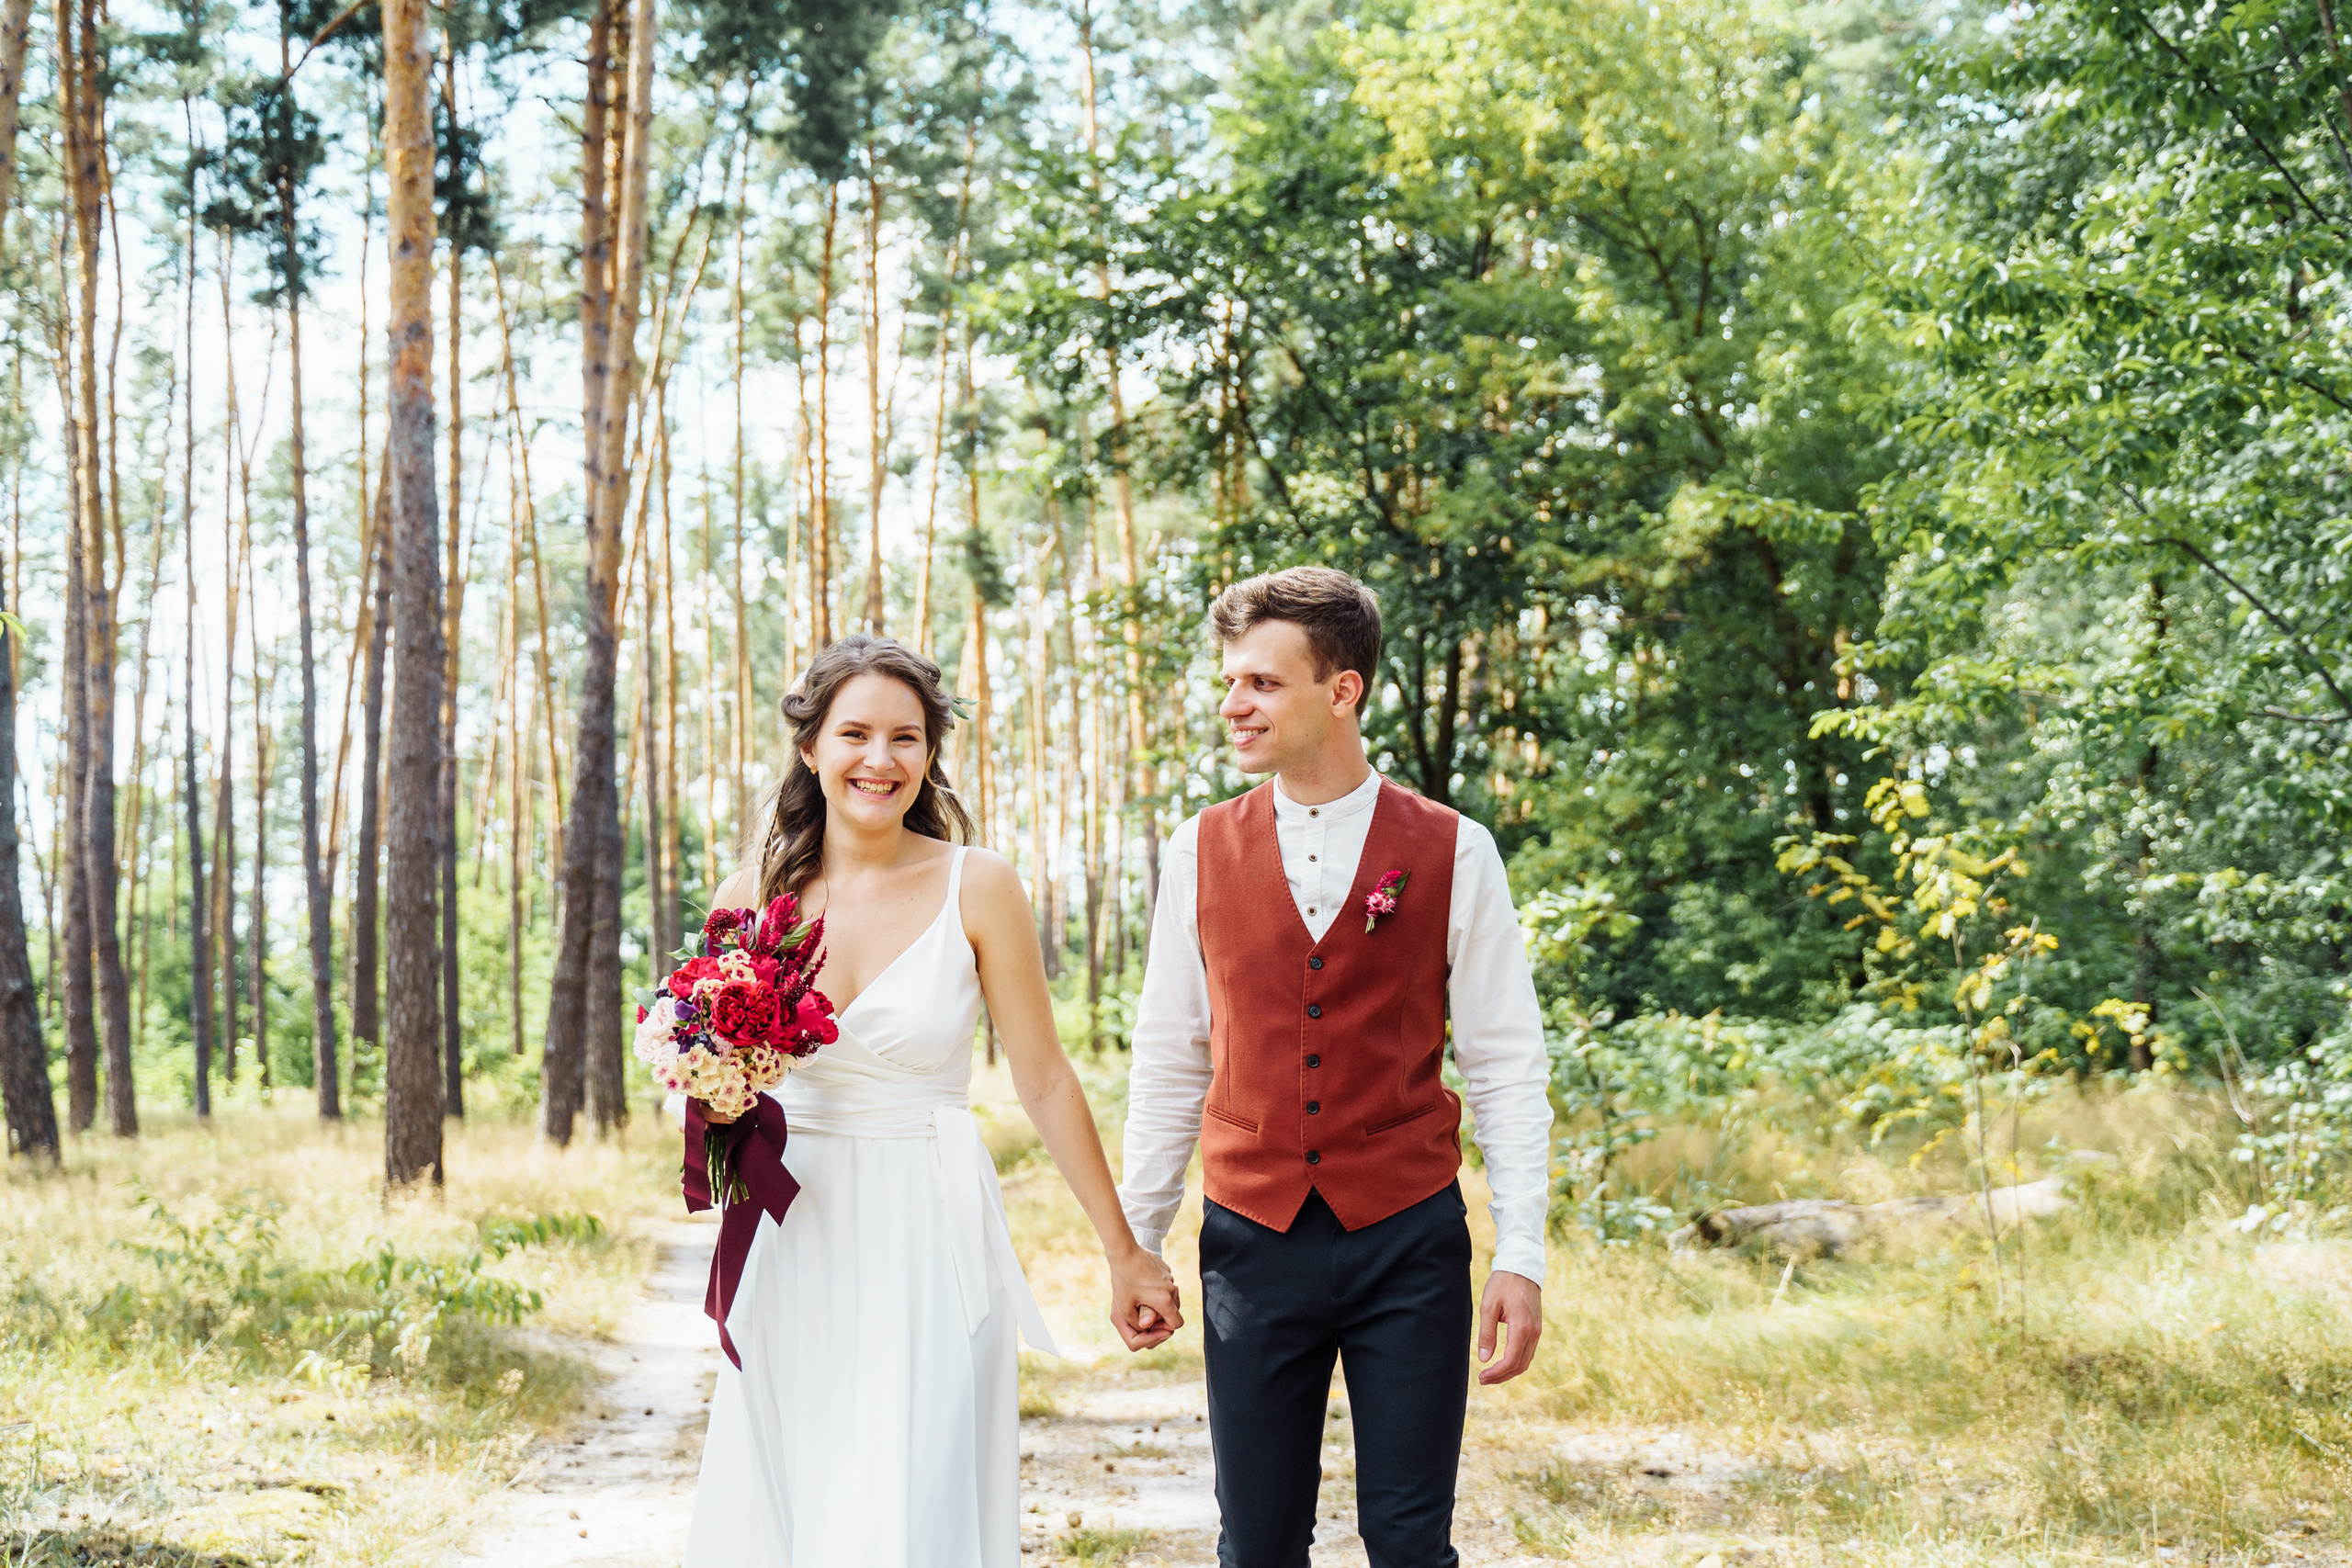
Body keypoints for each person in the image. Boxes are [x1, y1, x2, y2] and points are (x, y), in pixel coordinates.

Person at [681, 634, 1182, 1568]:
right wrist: (708, 1089)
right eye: (856, 734)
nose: (881, 761)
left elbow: (1043, 1077)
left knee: (919, 1489)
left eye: (905, 738)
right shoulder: (749, 896)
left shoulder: (977, 885)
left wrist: (1125, 1252)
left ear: (929, 754)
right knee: (792, 1481)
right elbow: (722, 1083)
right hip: (793, 1227)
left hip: (927, 1219)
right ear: (810, 749)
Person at [1119, 566, 1555, 1567]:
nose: (1234, 704)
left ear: (1342, 689)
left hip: (1409, 1239)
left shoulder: (1456, 849)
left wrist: (1520, 1253)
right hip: (1250, 1239)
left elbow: (1503, 1063)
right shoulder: (1197, 849)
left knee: (1409, 1542)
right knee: (1258, 1545)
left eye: (1262, 683)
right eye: (1230, 681)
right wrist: (1138, 1238)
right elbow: (1170, 1054)